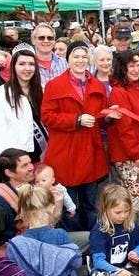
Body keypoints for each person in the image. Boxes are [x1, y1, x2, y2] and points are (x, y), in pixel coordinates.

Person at [42, 41, 109, 231]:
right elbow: (47, 117)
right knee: (68, 206)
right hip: (66, 153)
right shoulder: (54, 85)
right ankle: (74, 246)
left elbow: (100, 117)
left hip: (90, 152)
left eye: (83, 56)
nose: (80, 60)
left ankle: (92, 243)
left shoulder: (97, 85)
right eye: (76, 56)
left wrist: (109, 116)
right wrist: (76, 120)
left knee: (91, 205)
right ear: (68, 59)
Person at [108, 49, 139, 213]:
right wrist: (136, 153)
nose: (136, 69)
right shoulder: (119, 92)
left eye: (138, 65)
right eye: (131, 66)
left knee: (134, 196)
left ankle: (131, 230)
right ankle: (129, 233)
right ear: (123, 68)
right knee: (131, 199)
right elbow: (124, 128)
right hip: (128, 155)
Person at [0, 44, 47, 165]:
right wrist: (8, 163)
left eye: (31, 64)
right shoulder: (0, 95)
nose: (27, 68)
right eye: (22, 64)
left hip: (45, 155)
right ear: (13, 66)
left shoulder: (42, 89)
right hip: (19, 160)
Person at [89, 184, 139, 276]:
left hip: (126, 267)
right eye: (118, 212)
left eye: (127, 211)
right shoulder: (99, 231)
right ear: (105, 209)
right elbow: (98, 261)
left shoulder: (131, 224)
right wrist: (117, 271)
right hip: (106, 271)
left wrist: (136, 252)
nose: (123, 216)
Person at [32, 23, 68, 88]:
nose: (46, 41)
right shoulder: (28, 65)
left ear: (54, 41)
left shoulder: (65, 63)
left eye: (50, 38)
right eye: (41, 38)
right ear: (33, 40)